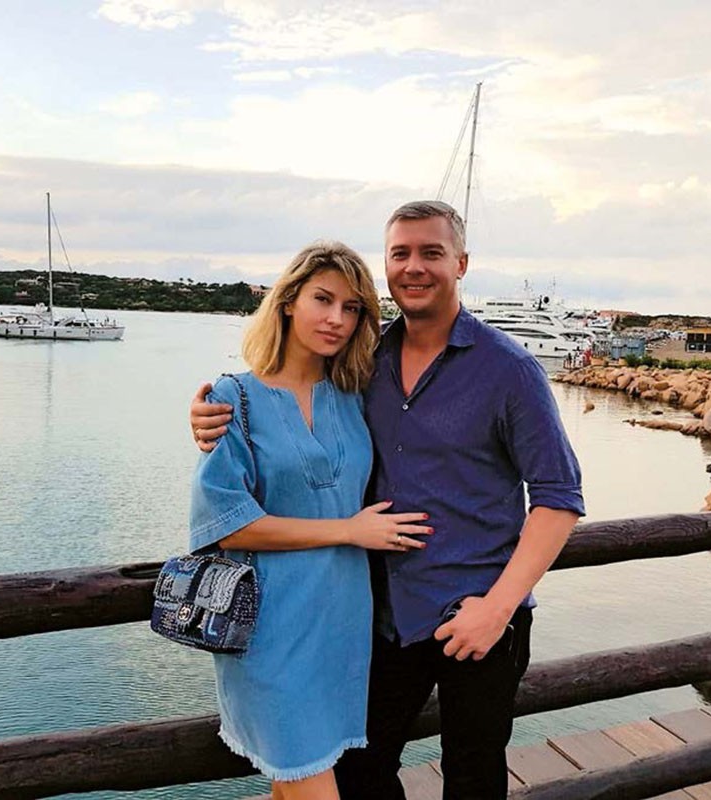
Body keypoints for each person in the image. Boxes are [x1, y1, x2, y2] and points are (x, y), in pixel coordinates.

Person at [191, 202, 584, 799]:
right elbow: (276, 407)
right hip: (380, 619)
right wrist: (208, 415)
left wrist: (498, 608)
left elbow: (559, 499)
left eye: (432, 252)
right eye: (401, 253)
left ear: (461, 263)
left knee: (474, 779)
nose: (414, 266)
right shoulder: (362, 364)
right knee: (359, 773)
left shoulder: (510, 369)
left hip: (476, 613)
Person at [188, 241, 432, 800]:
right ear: (288, 301)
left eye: (352, 308)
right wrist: (349, 530)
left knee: (293, 787)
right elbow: (227, 525)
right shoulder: (235, 397)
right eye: (323, 299)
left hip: (343, 631)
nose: (336, 319)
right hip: (270, 633)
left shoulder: (355, 394)